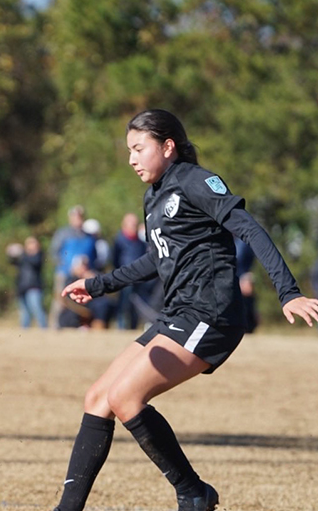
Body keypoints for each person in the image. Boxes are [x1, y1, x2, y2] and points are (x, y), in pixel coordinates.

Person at [51, 109, 318, 511]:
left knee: (126, 398)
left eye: (139, 148)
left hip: (211, 315)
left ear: (168, 146)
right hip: (177, 313)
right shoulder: (154, 195)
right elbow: (155, 260)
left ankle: (193, 493)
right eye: (129, 150)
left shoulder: (195, 181)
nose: (132, 159)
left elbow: (250, 229)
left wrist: (288, 292)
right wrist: (97, 284)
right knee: (99, 397)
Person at [49, 205, 87, 328]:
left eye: (80, 217)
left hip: (80, 275)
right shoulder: (63, 233)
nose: (78, 219)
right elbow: (53, 253)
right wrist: (66, 265)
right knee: (59, 302)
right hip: (64, 273)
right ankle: (54, 327)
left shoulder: (86, 235)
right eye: (75, 217)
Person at [112, 213, 149, 330]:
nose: (134, 226)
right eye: (131, 224)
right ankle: (121, 326)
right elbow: (114, 259)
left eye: (135, 224)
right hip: (124, 278)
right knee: (123, 303)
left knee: (136, 305)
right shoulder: (119, 241)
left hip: (139, 279)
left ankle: (133, 326)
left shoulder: (140, 243)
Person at [7, 236, 46, 329]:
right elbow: (11, 262)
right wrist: (10, 252)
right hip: (22, 287)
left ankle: (44, 328)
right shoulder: (23, 256)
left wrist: (22, 253)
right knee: (24, 312)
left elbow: (34, 262)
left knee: (37, 309)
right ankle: (25, 330)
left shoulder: (38, 255)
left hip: (34, 286)